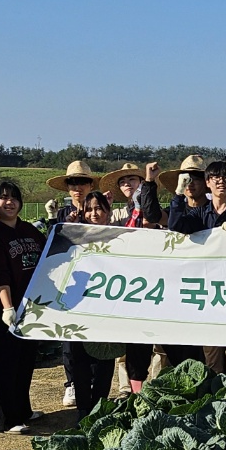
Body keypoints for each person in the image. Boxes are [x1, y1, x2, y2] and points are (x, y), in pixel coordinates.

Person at [149, 160, 226, 374]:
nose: (220, 182)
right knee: (212, 355)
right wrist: (178, 195)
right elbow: (177, 226)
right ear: (208, 183)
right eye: (215, 178)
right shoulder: (199, 214)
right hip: (209, 292)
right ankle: (218, 399)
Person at [0, 180, 48, 433]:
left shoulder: (28, 230)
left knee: (25, 361)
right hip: (5, 309)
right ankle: (7, 420)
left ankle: (23, 409)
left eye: (14, 198)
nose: (9, 202)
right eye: (3, 197)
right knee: (4, 363)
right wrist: (7, 307)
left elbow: (50, 255)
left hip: (32, 307)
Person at [98, 162, 160, 393]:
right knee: (126, 342)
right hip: (124, 283)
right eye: (123, 181)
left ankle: (150, 385)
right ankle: (128, 388)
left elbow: (152, 222)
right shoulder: (116, 212)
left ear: (141, 182)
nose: (127, 184)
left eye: (132, 180)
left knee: (149, 342)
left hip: (147, 279)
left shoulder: (147, 206)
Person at [59, 191, 122, 419]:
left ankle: (100, 406)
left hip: (108, 304)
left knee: (105, 358)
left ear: (108, 211)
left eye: (99, 208)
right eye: (90, 209)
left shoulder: (120, 235)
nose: (94, 214)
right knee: (80, 359)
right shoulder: (75, 235)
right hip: (79, 304)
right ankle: (83, 408)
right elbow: (56, 252)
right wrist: (68, 227)